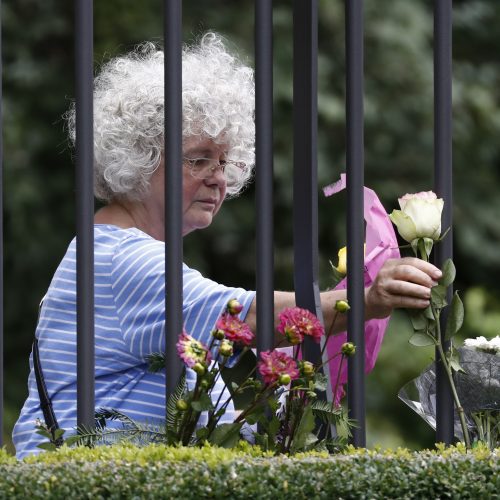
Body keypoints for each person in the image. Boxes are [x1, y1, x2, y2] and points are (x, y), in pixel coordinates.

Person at [13, 33, 441, 458]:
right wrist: (365, 300)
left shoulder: (102, 250)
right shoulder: (121, 259)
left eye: (224, 161)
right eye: (199, 158)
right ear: (140, 155)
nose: (219, 177)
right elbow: (248, 316)